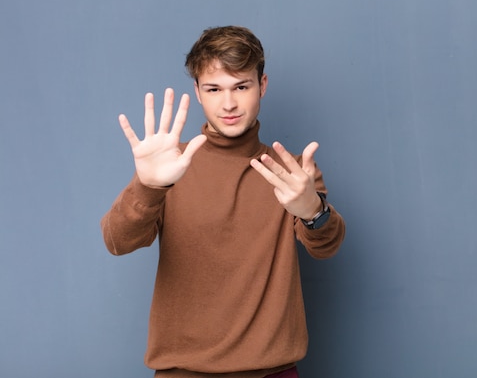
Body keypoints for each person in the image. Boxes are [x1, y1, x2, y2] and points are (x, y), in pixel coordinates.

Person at [100, 26, 346, 378]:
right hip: (183, 372)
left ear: (262, 86)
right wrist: (148, 187)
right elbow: (117, 241)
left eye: (241, 87)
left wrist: (314, 212)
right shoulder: (171, 166)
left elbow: (327, 246)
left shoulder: (292, 172)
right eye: (214, 89)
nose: (228, 103)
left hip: (273, 371)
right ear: (198, 93)